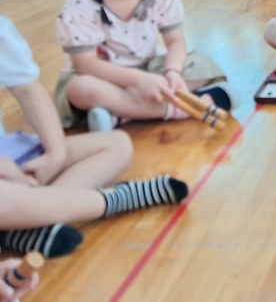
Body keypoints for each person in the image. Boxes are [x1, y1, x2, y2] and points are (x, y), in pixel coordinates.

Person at [0, 16, 188, 258]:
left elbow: (27, 88)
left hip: (11, 157)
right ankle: (116, 199)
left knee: (117, 144)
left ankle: (25, 225)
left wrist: (56, 154)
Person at [54, 0, 237, 133]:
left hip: (152, 69)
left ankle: (120, 114)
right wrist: (137, 80)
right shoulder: (78, 7)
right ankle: (178, 108)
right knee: (81, 88)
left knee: (199, 63)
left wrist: (172, 73)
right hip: (105, 77)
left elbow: (175, 41)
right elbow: (86, 65)